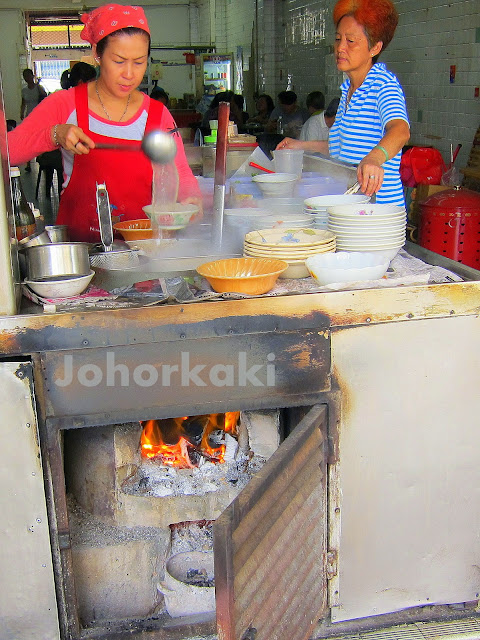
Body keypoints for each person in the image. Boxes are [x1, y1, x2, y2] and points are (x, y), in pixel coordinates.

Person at [8, 4, 202, 242]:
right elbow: (9, 151)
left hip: (146, 250)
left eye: (139, 62)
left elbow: (179, 170)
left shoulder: (158, 114)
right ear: (97, 54)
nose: (129, 73)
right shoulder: (65, 104)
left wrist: (191, 198)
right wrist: (55, 134)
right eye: (119, 61)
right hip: (83, 256)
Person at [276, 0, 410, 205]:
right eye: (338, 39)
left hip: (378, 213)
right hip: (350, 205)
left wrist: (374, 159)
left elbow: (400, 131)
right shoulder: (348, 91)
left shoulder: (383, 84)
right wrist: (300, 146)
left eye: (351, 41)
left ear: (375, 47)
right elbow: (339, 147)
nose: (340, 48)